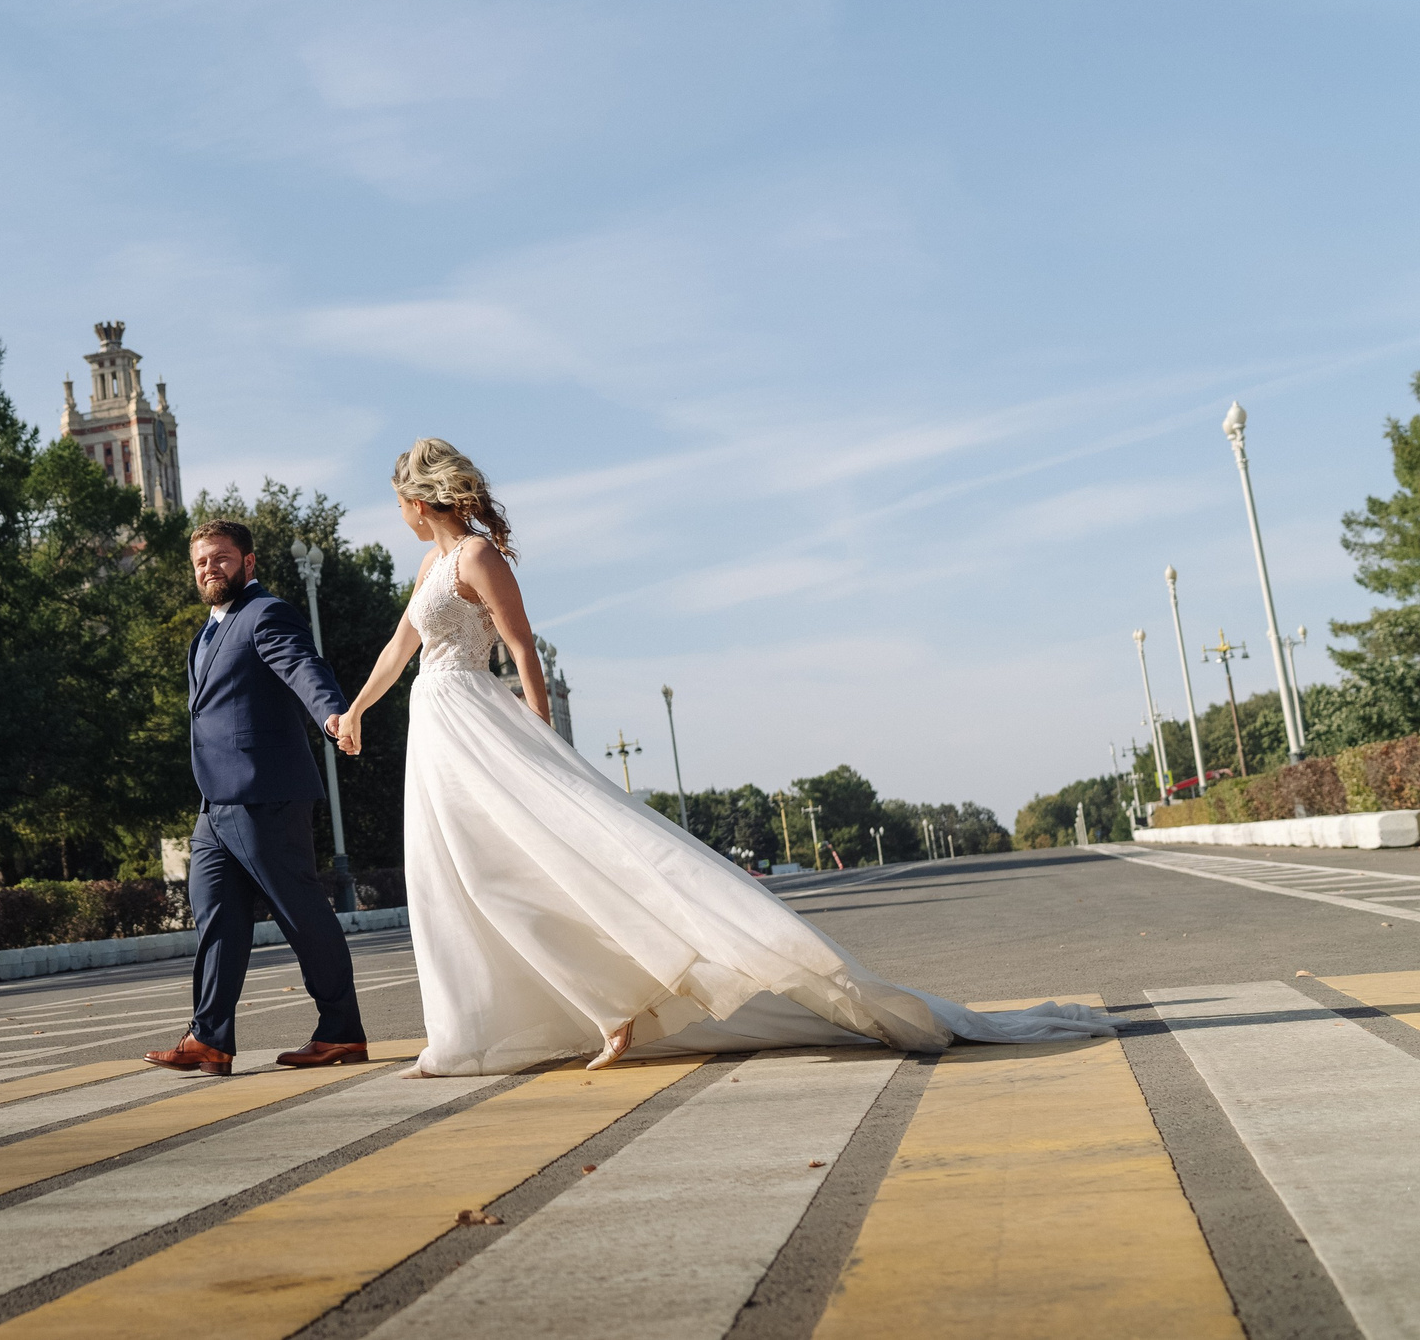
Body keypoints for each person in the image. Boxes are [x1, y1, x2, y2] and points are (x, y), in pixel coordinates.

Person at [335, 439, 1116, 1076]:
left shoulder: (475, 557)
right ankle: (476, 1029)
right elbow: (402, 643)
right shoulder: (429, 568)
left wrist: (543, 734)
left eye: (398, 503)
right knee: (456, 877)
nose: (398, 516)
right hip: (436, 731)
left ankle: (618, 1009)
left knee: (531, 868)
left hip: (479, 723)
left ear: (417, 499)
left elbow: (520, 645)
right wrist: (359, 709)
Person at [145, 519, 370, 1077]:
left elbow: (301, 665)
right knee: (216, 916)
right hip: (216, 803)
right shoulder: (206, 633)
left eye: (220, 558)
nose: (209, 569)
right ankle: (210, 1038)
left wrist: (332, 713)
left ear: (248, 563)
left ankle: (341, 1032)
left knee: (301, 914)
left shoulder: (265, 614)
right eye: (201, 562)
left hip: (264, 795)